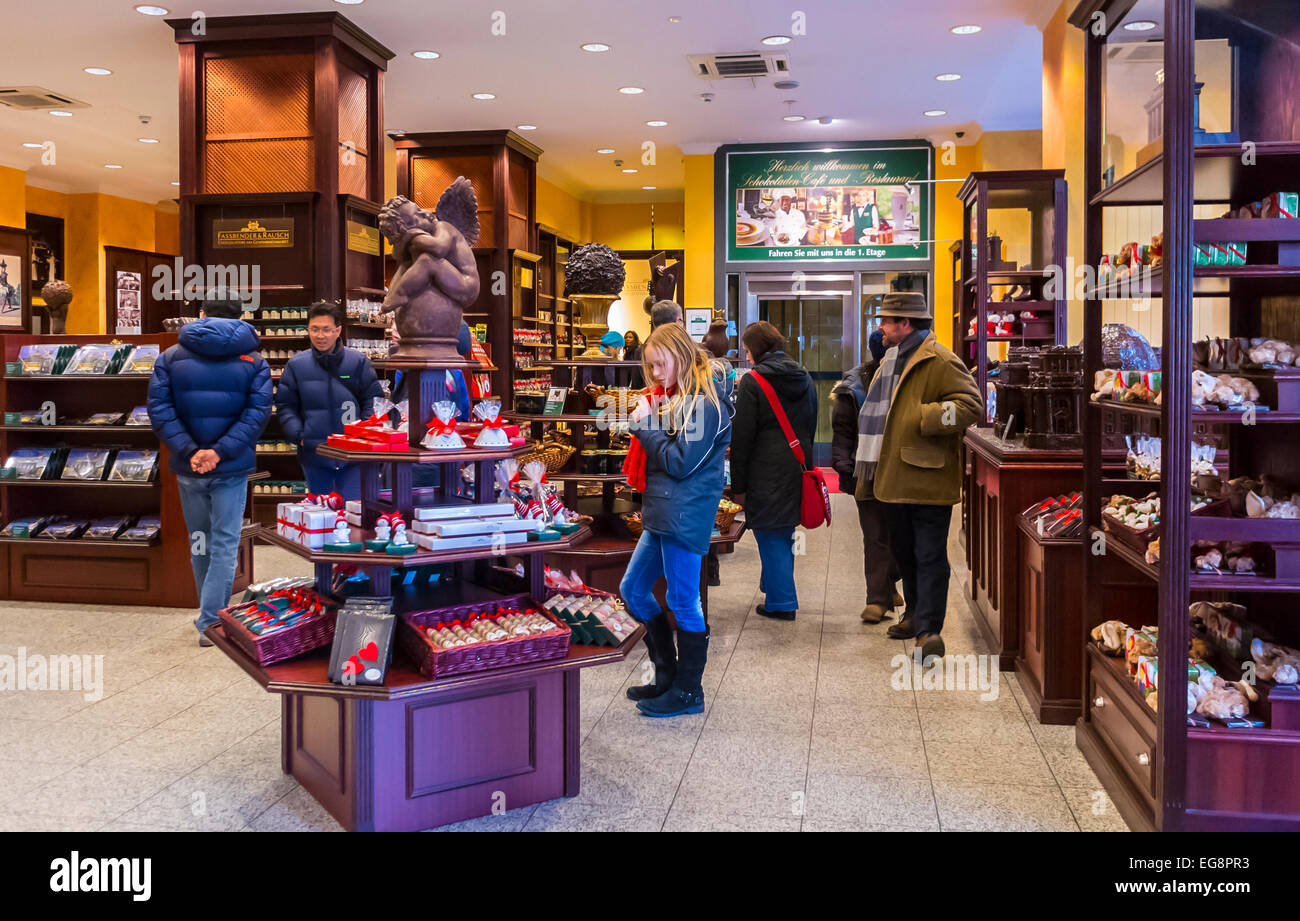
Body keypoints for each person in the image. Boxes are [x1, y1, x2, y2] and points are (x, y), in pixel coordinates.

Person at [856, 292, 980, 661]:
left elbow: (970, 405)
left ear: (905, 324)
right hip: (893, 476)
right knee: (904, 552)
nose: (881, 327)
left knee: (929, 555)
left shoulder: (940, 359)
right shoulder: (891, 359)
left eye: (886, 321)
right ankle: (912, 615)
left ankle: (929, 631)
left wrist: (924, 418)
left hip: (927, 477)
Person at [620, 322, 732, 718]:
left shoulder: (704, 402)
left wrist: (645, 424)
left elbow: (681, 462)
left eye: (659, 364)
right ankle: (666, 674)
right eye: (648, 367)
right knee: (633, 588)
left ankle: (688, 691)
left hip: (685, 513)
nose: (653, 373)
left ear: (681, 355)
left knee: (684, 601)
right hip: (664, 511)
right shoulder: (675, 397)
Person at [149, 292, 272, 647]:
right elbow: (257, 414)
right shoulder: (254, 362)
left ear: (201, 315)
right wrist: (219, 452)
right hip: (230, 466)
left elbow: (160, 410)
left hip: (189, 466)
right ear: (240, 318)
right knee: (224, 541)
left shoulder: (170, 357)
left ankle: (208, 615)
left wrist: (190, 450)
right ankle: (211, 620)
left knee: (199, 539)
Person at [729, 320, 817, 620]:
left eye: (747, 349)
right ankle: (773, 587)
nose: (746, 355)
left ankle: (782, 603)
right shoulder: (804, 377)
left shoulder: (754, 382)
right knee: (783, 532)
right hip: (796, 466)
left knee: (770, 533)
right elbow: (811, 425)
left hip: (764, 472)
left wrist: (738, 485)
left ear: (755, 348)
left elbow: (742, 437)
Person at [274, 301, 385, 500]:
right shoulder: (297, 365)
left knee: (354, 514)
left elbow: (373, 400)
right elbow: (285, 405)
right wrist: (299, 435)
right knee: (320, 515)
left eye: (326, 329)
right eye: (314, 329)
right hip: (314, 453)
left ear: (338, 330)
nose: (320, 335)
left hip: (354, 454)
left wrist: (365, 433)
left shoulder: (357, 362)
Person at [831, 326, 903, 623]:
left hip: (902, 470)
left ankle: (888, 583)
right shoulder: (855, 385)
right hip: (868, 469)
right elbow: (843, 430)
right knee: (875, 535)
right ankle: (876, 599)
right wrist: (845, 465)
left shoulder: (907, 380)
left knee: (899, 535)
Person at [701, 318, 736, 587]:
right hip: (712, 472)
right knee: (710, 511)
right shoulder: (726, 371)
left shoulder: (703, 406)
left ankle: (707, 570)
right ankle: (710, 570)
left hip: (700, 478)